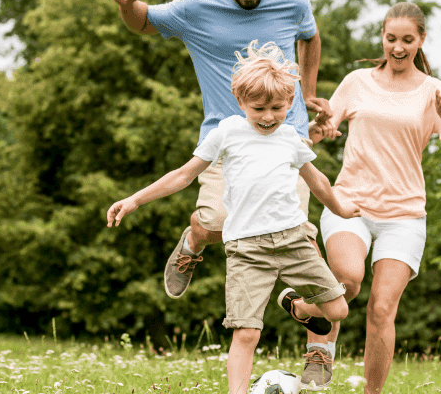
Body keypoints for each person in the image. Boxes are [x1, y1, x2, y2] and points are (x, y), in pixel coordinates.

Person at [106, 41, 359, 394]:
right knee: (246, 332)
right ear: (240, 103)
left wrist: (341, 209)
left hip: (294, 241)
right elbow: (183, 174)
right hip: (247, 250)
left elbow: (316, 181)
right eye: (259, 108)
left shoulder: (290, 138)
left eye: (278, 107)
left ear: (290, 104)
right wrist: (135, 199)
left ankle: (299, 307)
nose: (269, 116)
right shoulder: (226, 132)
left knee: (338, 310)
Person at [107, 0, 331, 302]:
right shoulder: (196, 7)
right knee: (217, 224)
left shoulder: (292, 3)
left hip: (286, 138)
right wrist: (128, 5)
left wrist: (307, 93)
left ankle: (319, 353)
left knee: (299, 237)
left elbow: (310, 36)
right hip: (226, 143)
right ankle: (194, 240)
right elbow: (142, 22)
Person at [284, 2, 441, 392]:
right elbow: (319, 131)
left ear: (421, 41)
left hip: (404, 214)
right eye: (391, 39)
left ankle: (367, 386)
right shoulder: (357, 81)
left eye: (407, 40)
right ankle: (315, 335)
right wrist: (322, 128)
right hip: (350, 202)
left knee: (382, 308)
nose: (398, 47)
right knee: (347, 282)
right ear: (382, 38)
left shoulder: (434, 91)